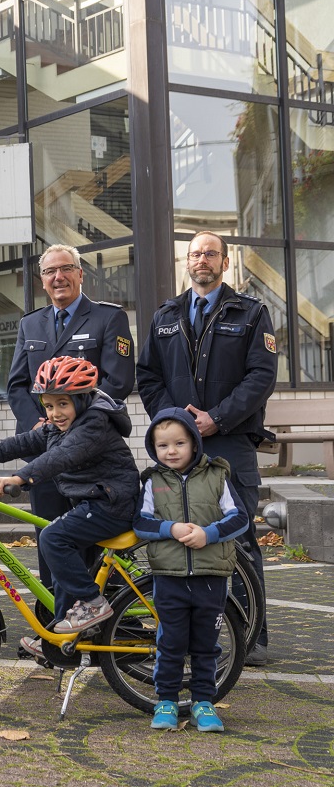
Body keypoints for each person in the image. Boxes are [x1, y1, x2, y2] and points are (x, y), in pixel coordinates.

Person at [136, 230, 276, 667]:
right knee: (179, 534)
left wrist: (215, 418)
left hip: (230, 442)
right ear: (188, 262)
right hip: (180, 447)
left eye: (211, 254)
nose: (202, 260)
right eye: (196, 254)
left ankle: (249, 639)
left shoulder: (251, 313)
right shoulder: (165, 315)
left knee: (237, 536)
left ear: (225, 262)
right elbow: (148, 376)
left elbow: (261, 376)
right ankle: (185, 634)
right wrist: (176, 422)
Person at [0, 356, 139, 659]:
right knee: (61, 569)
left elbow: (60, 458)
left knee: (53, 539)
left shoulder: (93, 424)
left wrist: (18, 477)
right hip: (94, 501)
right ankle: (59, 642)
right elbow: (26, 441)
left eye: (62, 404)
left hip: (112, 504)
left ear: (82, 400)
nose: (55, 413)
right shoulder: (62, 426)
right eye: (48, 406)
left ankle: (93, 604)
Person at [135, 408, 249, 733]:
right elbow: (140, 523)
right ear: (153, 448)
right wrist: (169, 528)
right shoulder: (152, 481)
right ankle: (166, 700)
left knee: (206, 644)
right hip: (168, 577)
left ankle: (203, 702)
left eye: (179, 443)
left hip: (211, 576)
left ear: (195, 443)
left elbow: (239, 517)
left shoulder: (217, 475)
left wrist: (207, 534)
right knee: (170, 642)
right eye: (163, 446)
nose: (171, 451)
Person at [7, 245, 134, 523]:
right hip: (43, 451)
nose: (58, 277)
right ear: (42, 280)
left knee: (89, 542)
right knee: (48, 531)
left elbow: (118, 381)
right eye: (50, 271)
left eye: (66, 269)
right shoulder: (29, 324)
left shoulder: (109, 317)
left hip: (88, 454)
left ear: (80, 274)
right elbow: (17, 385)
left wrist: (75, 425)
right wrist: (38, 424)